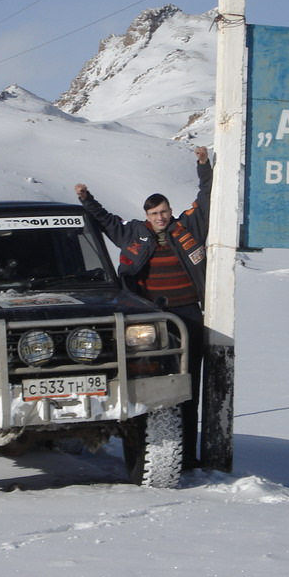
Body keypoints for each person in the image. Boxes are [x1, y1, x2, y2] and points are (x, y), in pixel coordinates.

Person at [74, 146, 211, 469]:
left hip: (188, 314)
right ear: (146, 216)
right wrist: (86, 198)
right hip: (149, 323)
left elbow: (207, 196)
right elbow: (105, 221)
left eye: (163, 212)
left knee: (188, 382)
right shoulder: (134, 233)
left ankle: (187, 455)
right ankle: (145, 452)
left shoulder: (187, 228)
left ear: (170, 211)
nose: (160, 218)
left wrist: (203, 165)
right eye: (154, 214)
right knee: (151, 383)